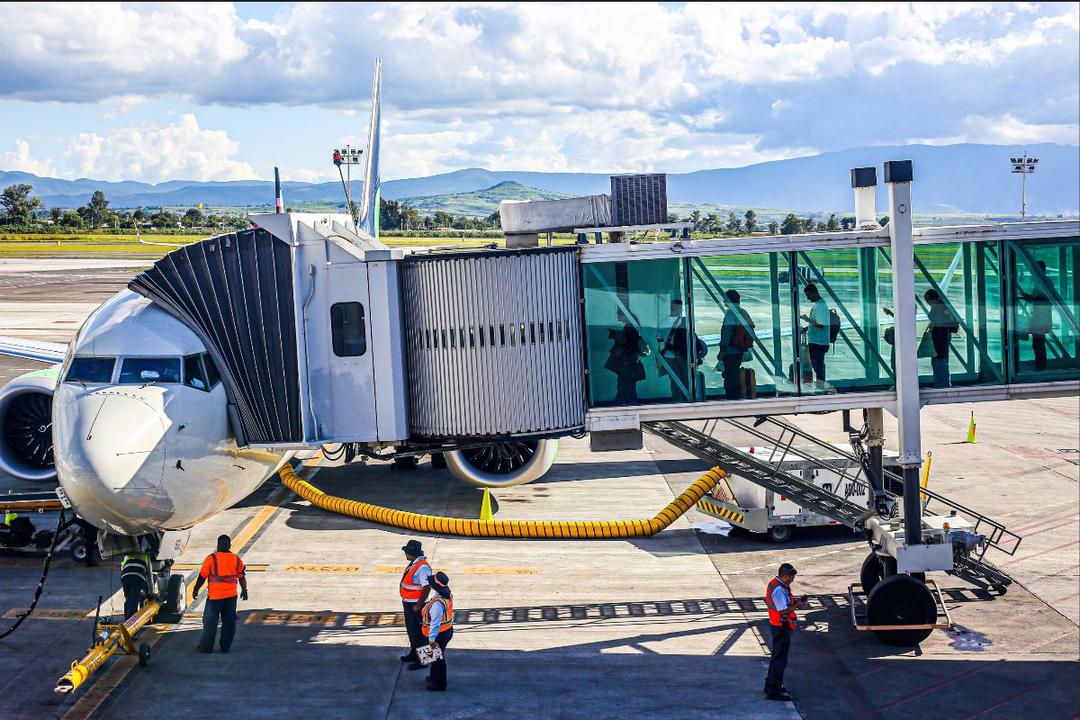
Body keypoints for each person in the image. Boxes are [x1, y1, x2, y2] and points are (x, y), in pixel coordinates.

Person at [192, 534, 247, 653]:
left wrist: (196, 589)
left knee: (210, 623)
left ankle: (206, 647)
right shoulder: (236, 559)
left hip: (215, 598)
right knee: (229, 623)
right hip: (231, 597)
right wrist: (244, 590)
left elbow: (202, 576)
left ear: (217, 545)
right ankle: (225, 647)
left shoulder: (211, 558)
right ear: (229, 545)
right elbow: (242, 577)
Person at [763, 562, 808, 702]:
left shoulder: (777, 584)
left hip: (778, 625)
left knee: (777, 656)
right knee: (780, 659)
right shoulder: (779, 590)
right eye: (792, 577)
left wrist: (795, 603)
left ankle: (771, 685)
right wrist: (797, 605)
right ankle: (773, 690)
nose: (793, 580)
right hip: (781, 627)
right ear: (785, 576)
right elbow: (782, 610)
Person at [399, 539, 433, 670]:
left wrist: (419, 604)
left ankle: (426, 660)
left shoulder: (422, 567)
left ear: (411, 552)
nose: (405, 554)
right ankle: (414, 655)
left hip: (416, 605)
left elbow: (427, 587)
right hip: (409, 603)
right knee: (412, 631)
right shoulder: (415, 563)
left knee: (420, 633)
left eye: (406, 552)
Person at [715, 289, 755, 400]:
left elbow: (727, 333)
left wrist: (721, 350)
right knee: (735, 372)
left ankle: (732, 399)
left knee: (730, 376)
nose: (723, 301)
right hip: (741, 348)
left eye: (724, 299)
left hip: (731, 349)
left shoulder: (731, 313)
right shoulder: (743, 312)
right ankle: (737, 395)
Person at [604, 312, 650, 405]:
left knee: (625, 383)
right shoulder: (632, 327)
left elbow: (630, 343)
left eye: (620, 316)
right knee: (626, 383)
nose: (618, 318)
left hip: (628, 359)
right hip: (629, 359)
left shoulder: (631, 328)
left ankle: (626, 402)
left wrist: (618, 336)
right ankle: (627, 402)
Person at [421, 572, 454, 691]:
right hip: (446, 631)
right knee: (434, 657)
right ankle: (433, 677)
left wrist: (431, 640)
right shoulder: (445, 595)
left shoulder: (437, 604)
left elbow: (435, 623)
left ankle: (439, 684)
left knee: (438, 659)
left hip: (439, 634)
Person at [1018, 260, 1052, 371]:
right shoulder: (1040, 282)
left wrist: (1031, 298)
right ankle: (1040, 367)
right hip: (1039, 316)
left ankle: (1041, 368)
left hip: (1041, 317)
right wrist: (1030, 297)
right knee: (1038, 344)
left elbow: (1046, 299)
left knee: (1038, 344)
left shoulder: (1045, 282)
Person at [924, 289, 959, 388]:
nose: (929, 304)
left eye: (929, 302)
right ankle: (942, 384)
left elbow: (935, 317)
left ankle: (942, 386)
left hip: (940, 338)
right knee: (941, 361)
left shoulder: (940, 308)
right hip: (943, 337)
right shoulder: (944, 307)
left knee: (939, 362)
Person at [800, 284, 830, 389]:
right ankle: (820, 386)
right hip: (818, 342)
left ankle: (821, 387)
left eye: (808, 295)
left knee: (818, 367)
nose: (807, 298)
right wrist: (807, 328)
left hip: (818, 343)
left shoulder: (820, 306)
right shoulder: (819, 304)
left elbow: (821, 324)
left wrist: (806, 319)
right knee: (818, 366)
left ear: (814, 293)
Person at [120, 550, 151, 619]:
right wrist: (147, 591)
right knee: (135, 597)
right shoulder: (146, 555)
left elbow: (122, 567)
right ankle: (132, 620)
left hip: (125, 575)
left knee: (128, 598)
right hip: (138, 575)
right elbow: (149, 575)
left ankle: (127, 619)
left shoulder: (127, 556)